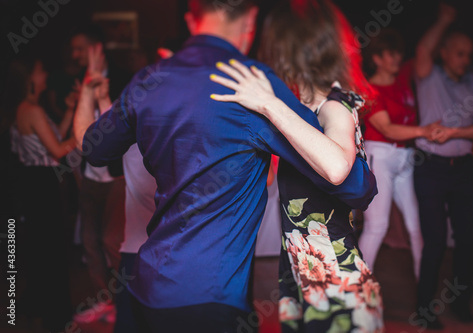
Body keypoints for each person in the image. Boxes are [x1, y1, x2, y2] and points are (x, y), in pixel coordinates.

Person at [73, 0, 377, 331]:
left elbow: (93, 150)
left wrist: (88, 91)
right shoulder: (251, 83)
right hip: (210, 295)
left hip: (148, 285)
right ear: (250, 20)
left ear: (191, 21)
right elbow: (352, 184)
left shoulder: (149, 79)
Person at [211, 1, 383, 331]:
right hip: (300, 275)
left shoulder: (334, 106)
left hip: (337, 286)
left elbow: (336, 169)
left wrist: (269, 103)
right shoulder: (304, 111)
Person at [412, 4, 473, 329]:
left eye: (468, 53)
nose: (465, 58)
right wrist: (444, 21)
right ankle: (425, 309)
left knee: (468, 241)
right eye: (459, 53)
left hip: (464, 170)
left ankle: (460, 302)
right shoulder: (427, 75)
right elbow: (422, 48)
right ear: (444, 52)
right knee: (434, 242)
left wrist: (455, 132)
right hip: (430, 168)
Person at [358, 29, 439, 280]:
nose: (395, 59)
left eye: (398, 54)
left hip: (405, 158)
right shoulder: (369, 90)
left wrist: (443, 21)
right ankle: (356, 290)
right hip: (379, 155)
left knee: (416, 227)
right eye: (389, 55)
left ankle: (424, 287)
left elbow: (425, 50)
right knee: (377, 226)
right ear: (377, 58)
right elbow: (387, 128)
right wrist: (424, 131)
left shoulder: (403, 77)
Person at [8, 56, 75, 332]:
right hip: (42, 183)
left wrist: (70, 112)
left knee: (42, 247)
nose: (45, 74)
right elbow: (58, 151)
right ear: (29, 79)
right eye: (40, 70)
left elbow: (54, 138)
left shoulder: (25, 108)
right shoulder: (32, 110)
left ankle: (38, 307)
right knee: (52, 249)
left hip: (32, 181)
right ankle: (55, 316)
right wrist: (84, 133)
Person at [70, 26, 130, 324]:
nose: (75, 55)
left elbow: (122, 131)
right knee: (90, 242)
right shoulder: (76, 80)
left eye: (80, 48)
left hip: (116, 178)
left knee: (113, 242)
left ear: (97, 49)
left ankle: (126, 301)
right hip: (89, 176)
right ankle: (104, 299)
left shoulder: (123, 79)